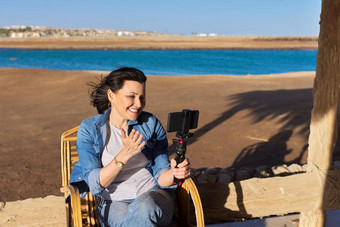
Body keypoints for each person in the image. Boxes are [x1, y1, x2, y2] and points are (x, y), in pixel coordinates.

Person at [69, 67, 191, 227]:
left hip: (153, 196)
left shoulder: (150, 123)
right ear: (111, 95)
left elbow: (161, 175)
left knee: (144, 207)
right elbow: (94, 184)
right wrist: (124, 155)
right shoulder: (90, 129)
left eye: (142, 97)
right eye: (131, 97)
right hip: (113, 201)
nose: (139, 104)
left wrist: (175, 173)